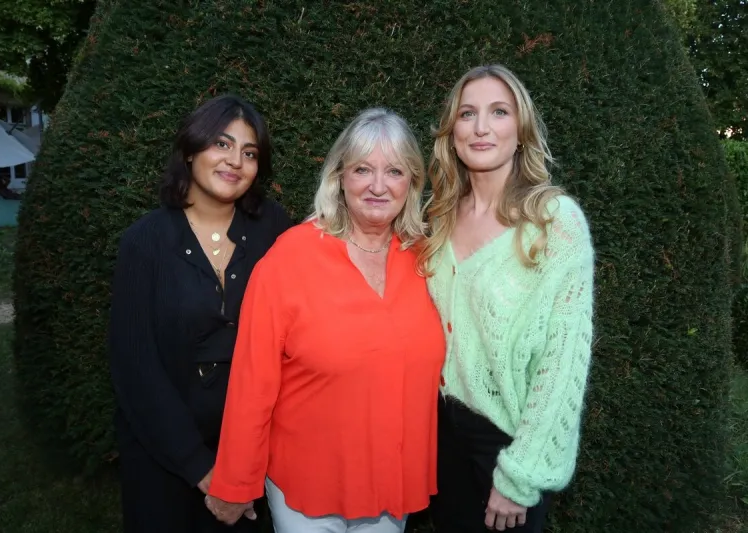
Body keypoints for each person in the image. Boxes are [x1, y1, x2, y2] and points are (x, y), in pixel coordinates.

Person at [203, 108, 446, 533]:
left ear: (412, 182)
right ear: (339, 177)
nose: (378, 186)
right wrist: (236, 482)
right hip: (307, 486)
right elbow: (252, 380)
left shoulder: (429, 260)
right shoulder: (290, 258)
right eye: (362, 169)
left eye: (394, 171)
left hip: (391, 481)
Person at [419, 64, 595, 532]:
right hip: (438, 436)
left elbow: (563, 365)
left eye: (499, 112)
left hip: (507, 443)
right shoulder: (437, 218)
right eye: (467, 114)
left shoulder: (555, 223)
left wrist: (521, 473)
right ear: (452, 133)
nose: (481, 127)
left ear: (520, 131)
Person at [108, 94, 292, 533]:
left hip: (251, 450)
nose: (235, 161)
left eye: (250, 153)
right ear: (190, 150)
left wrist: (239, 469)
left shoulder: (275, 230)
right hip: (163, 452)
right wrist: (204, 471)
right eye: (221, 144)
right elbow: (135, 366)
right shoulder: (144, 243)